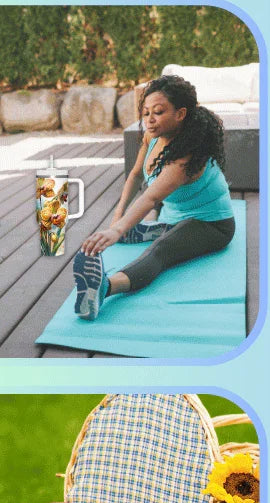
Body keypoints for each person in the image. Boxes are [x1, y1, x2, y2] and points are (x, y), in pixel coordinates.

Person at [72, 75, 235, 320]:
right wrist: (118, 218)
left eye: (158, 112)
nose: (149, 119)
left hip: (212, 224)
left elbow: (149, 198)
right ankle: (162, 228)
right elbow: (136, 174)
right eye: (146, 111)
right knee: (155, 229)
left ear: (180, 114)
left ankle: (104, 288)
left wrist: (116, 231)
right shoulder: (152, 137)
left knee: (160, 251)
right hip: (177, 215)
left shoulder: (185, 159)